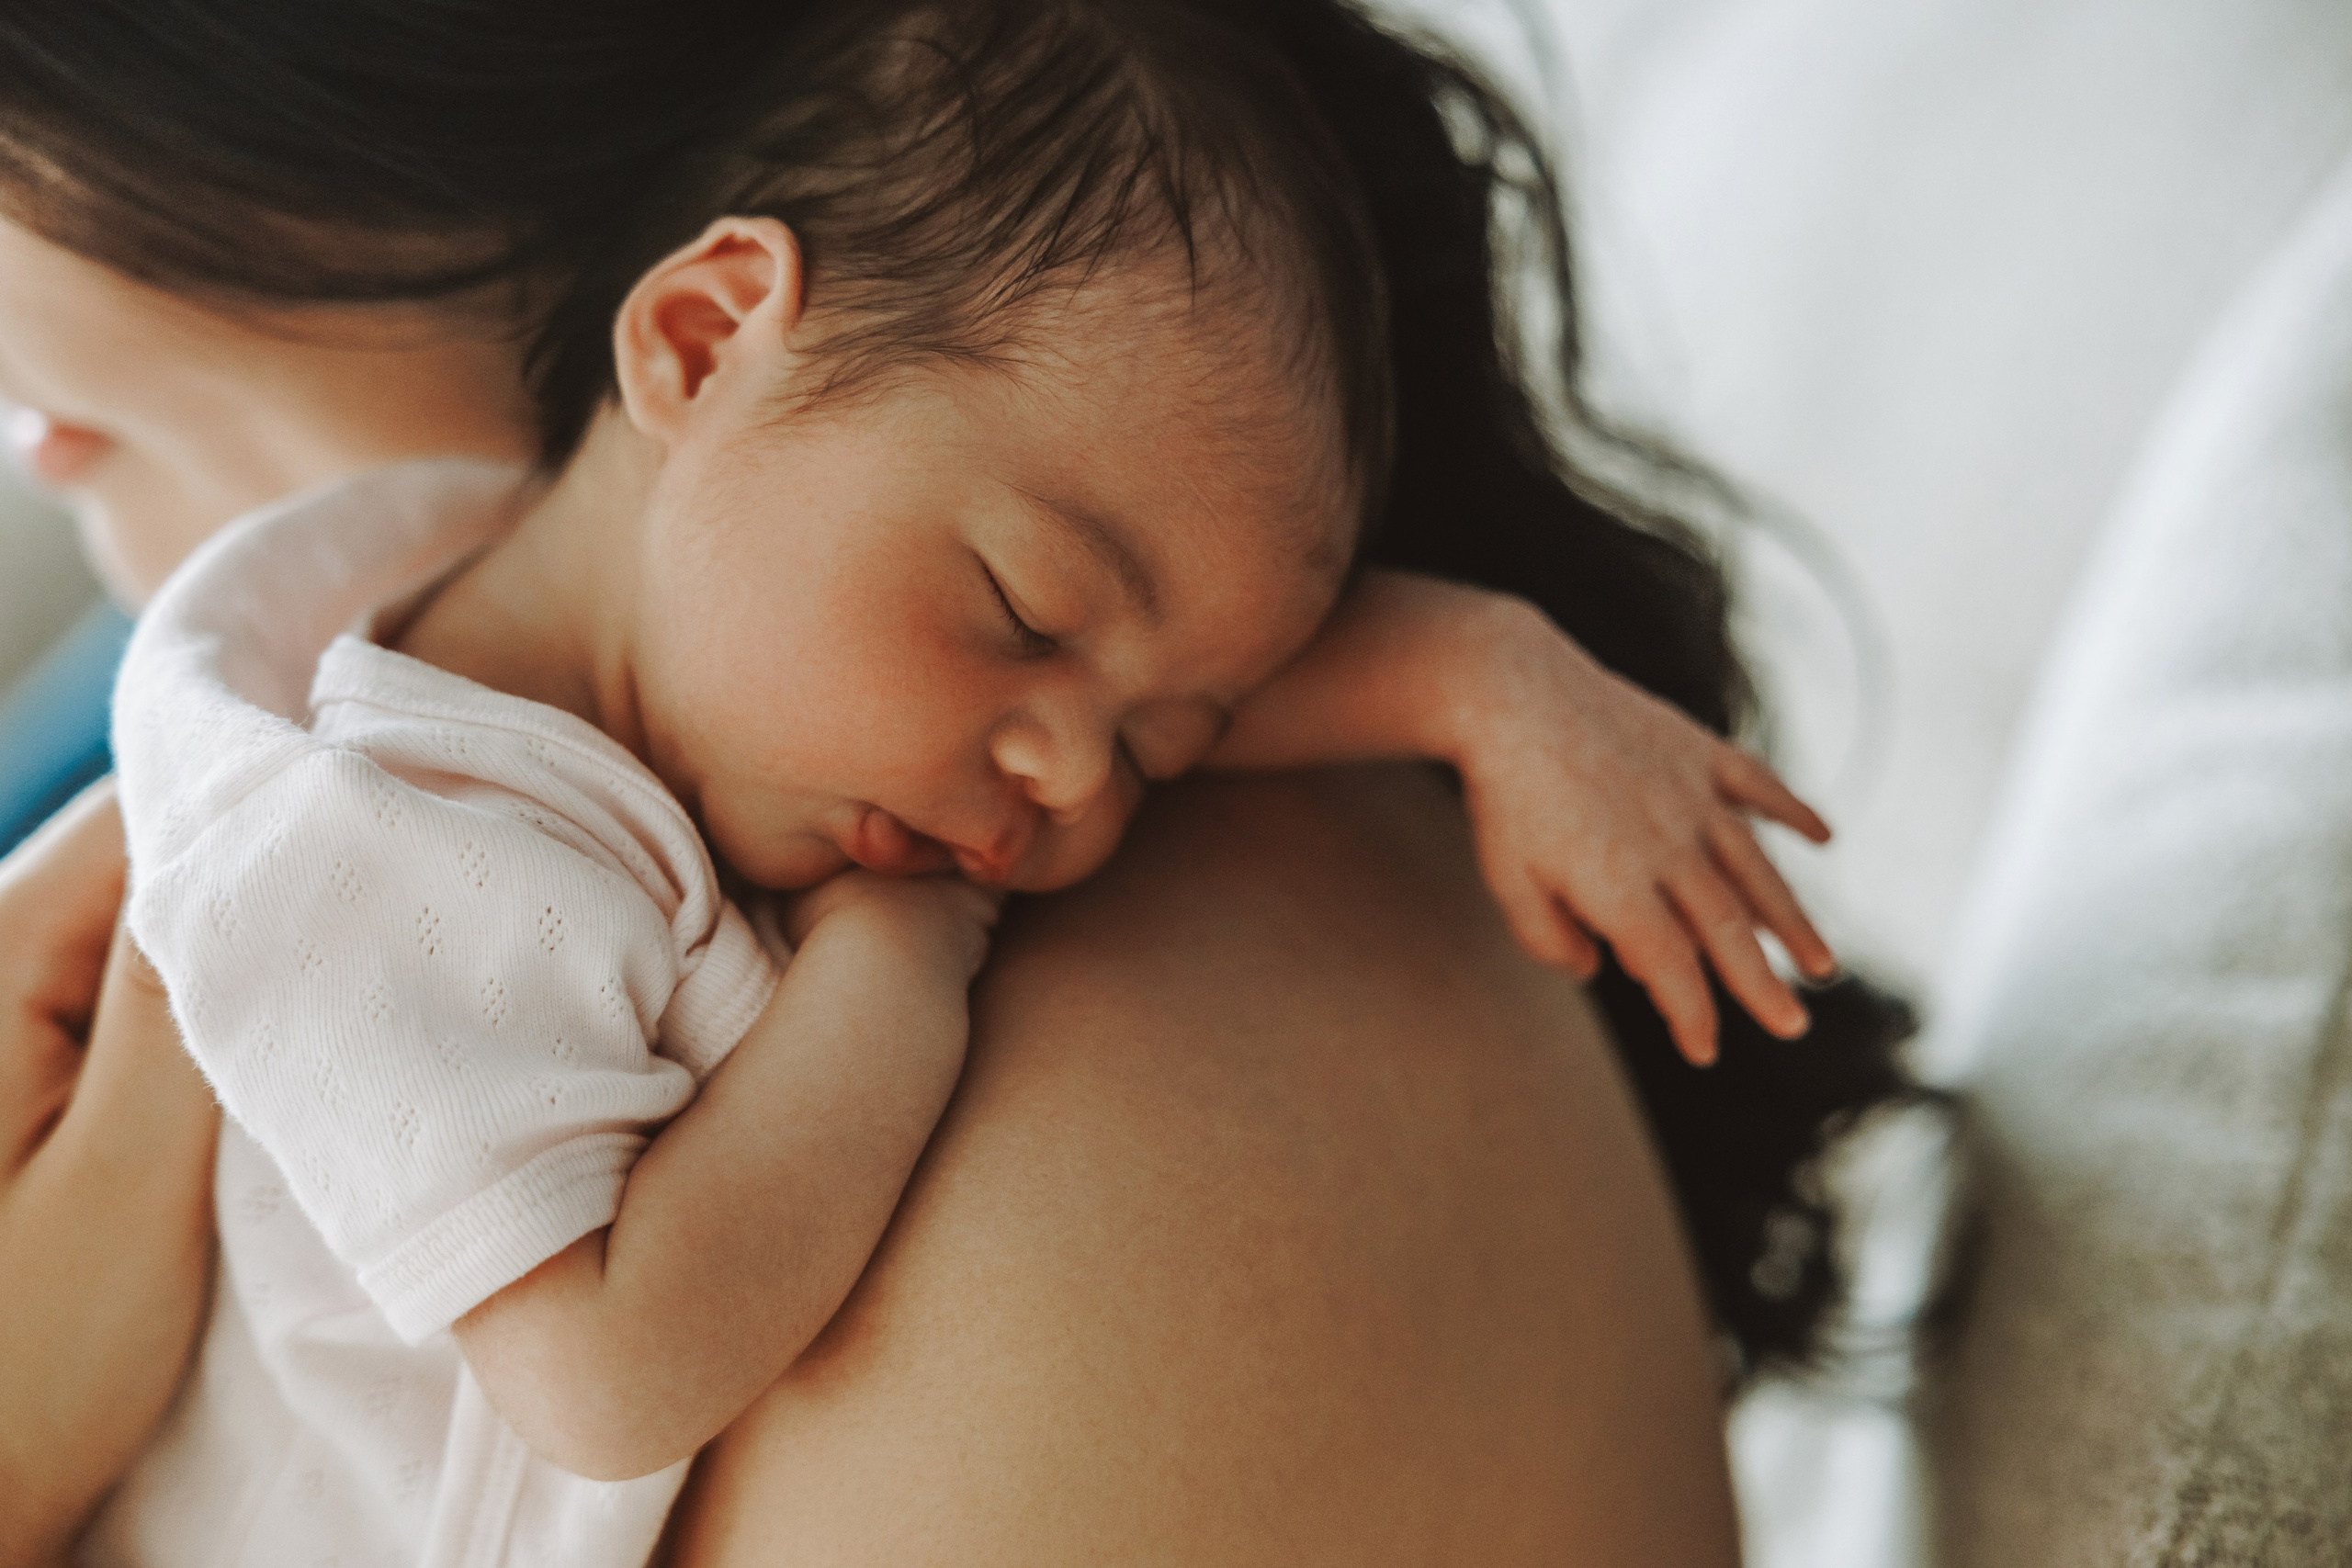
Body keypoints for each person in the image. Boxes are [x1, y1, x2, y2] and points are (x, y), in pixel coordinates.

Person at [0, 1, 1916, 1562]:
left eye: (57, 382)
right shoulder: (381, 746)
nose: (1069, 780)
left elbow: (607, 1370)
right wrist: (1464, 665)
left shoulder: (1089, 1004)